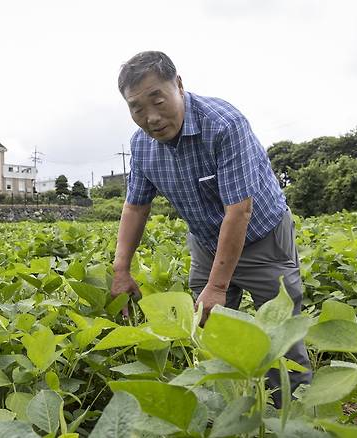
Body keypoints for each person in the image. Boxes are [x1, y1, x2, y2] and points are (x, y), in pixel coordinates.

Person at [110, 50, 311, 404]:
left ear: (180, 86)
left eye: (158, 100)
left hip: (263, 236)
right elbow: (136, 206)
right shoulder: (141, 145)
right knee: (209, 331)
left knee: (282, 335)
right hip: (205, 241)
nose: (151, 117)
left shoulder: (223, 124)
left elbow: (239, 210)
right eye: (137, 108)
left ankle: (291, 414)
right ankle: (235, 410)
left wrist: (219, 286)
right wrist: (121, 268)